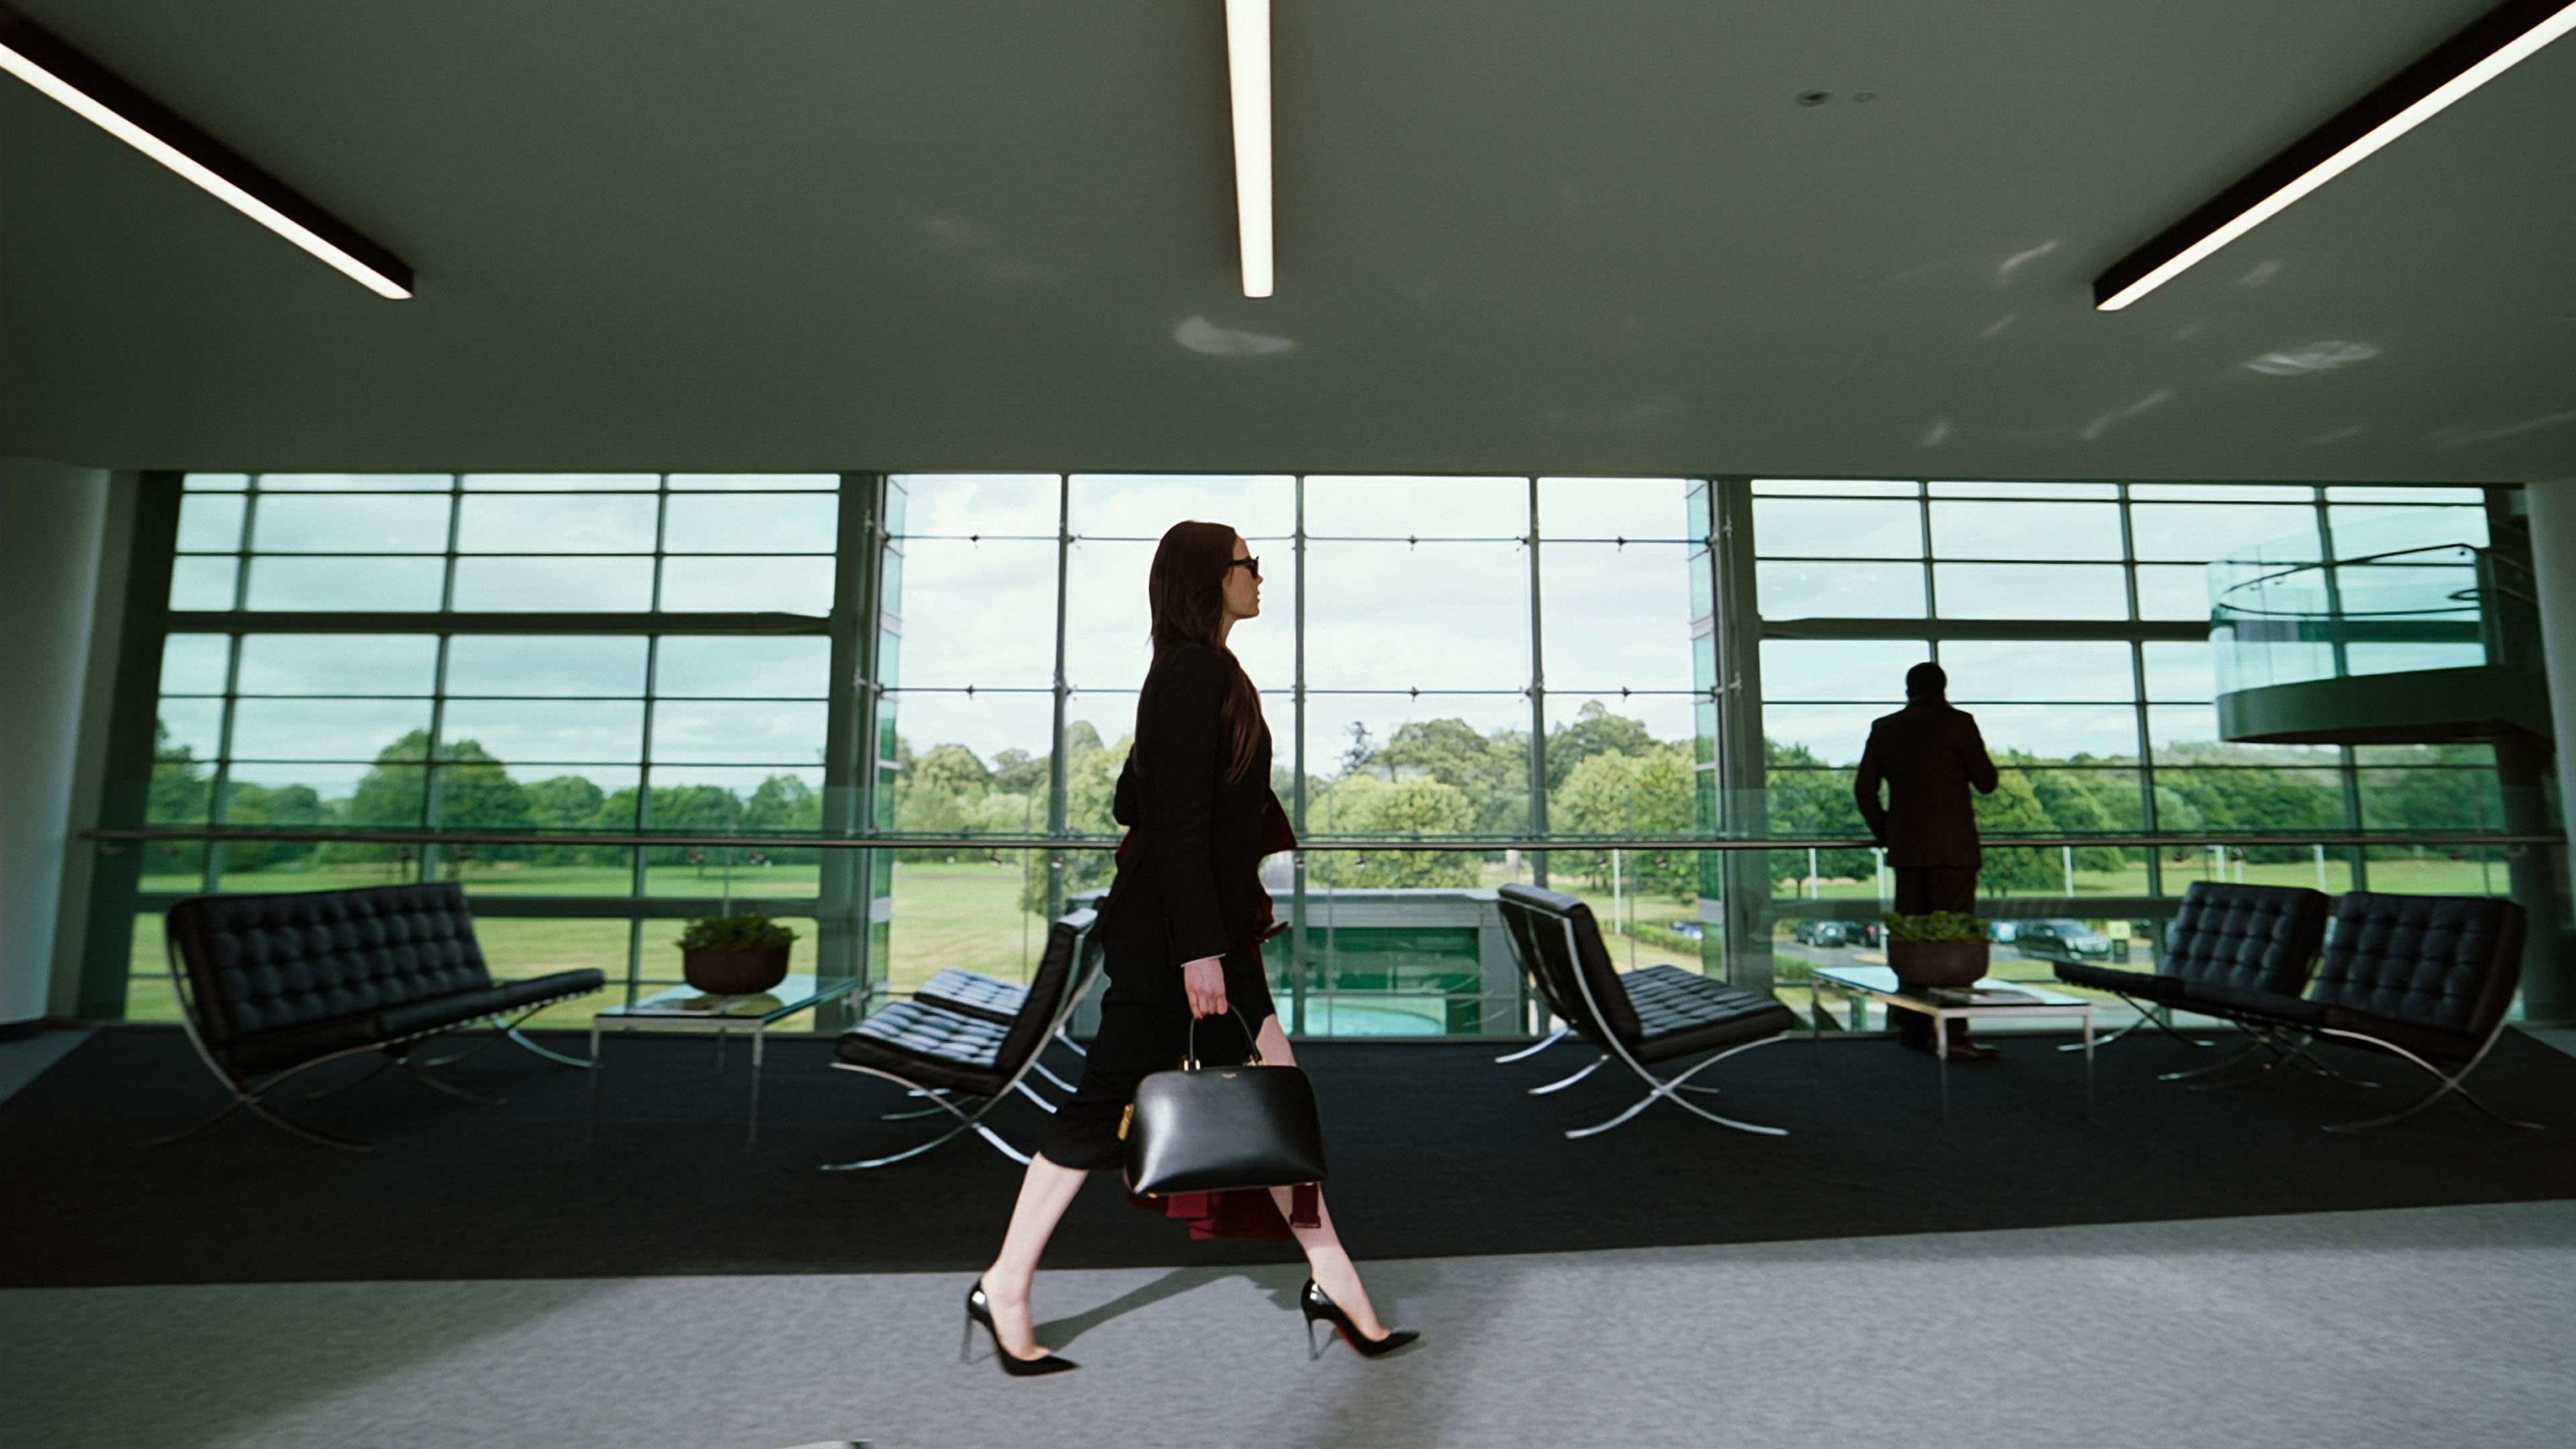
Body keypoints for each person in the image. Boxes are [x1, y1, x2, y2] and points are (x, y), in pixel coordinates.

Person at [964, 520, 1418, 1377]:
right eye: (1250, 564)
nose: (1260, 577)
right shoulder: (1193, 671)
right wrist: (1198, 952)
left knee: (1277, 1103)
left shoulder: (1192, 671)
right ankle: (1006, 1283)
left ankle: (1336, 1281)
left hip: (1207, 933)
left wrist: (1211, 932)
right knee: (1102, 1109)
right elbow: (1170, 820)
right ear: (1212, 577)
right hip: (1180, 941)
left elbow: (1137, 796)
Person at [1852, 661, 2002, 1059]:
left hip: (1908, 851)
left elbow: (1864, 791)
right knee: (1951, 944)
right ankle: (1952, 1035)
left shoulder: (1885, 728)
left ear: (1907, 689)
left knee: (1913, 941)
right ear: (1944, 689)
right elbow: (1986, 782)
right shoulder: (1960, 723)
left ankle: (1911, 1027)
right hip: (1953, 851)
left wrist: (1888, 833)